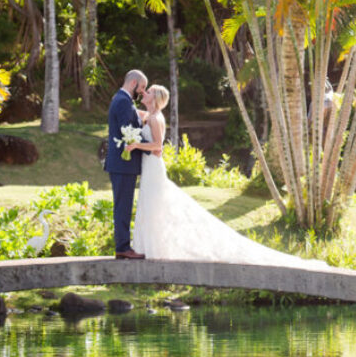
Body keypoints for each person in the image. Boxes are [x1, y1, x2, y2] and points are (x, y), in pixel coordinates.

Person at [127, 84, 326, 269]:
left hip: (153, 165)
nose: (146, 93)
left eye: (149, 91)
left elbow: (157, 147)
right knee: (151, 206)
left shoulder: (154, 118)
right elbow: (140, 113)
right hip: (150, 168)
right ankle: (150, 248)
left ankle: (153, 249)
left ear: (156, 98)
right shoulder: (151, 115)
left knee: (153, 205)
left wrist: (135, 144)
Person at [106, 70, 151, 260]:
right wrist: (151, 147)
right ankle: (123, 247)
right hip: (123, 164)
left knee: (123, 205)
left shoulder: (122, 99)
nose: (142, 92)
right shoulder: (124, 101)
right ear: (133, 83)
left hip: (121, 164)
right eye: (141, 87)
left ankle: (123, 246)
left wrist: (141, 117)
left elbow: (130, 123)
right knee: (123, 206)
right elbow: (129, 131)